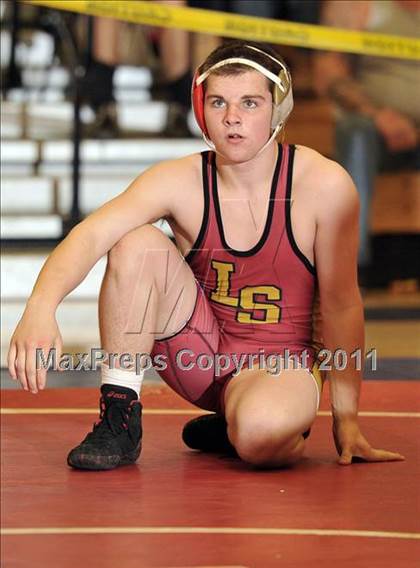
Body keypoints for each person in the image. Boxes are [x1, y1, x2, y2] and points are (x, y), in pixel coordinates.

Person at [8, 41, 404, 470]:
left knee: (259, 438)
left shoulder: (324, 186)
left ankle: (244, 424)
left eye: (250, 103)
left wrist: (347, 420)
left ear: (278, 110)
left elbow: (342, 304)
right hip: (200, 358)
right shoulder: (178, 180)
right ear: (201, 110)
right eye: (219, 102)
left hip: (280, 363)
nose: (232, 118)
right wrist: (39, 306)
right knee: (134, 241)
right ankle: (120, 418)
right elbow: (90, 234)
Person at [314, 0, 420, 286]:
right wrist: (376, 115)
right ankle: (348, 269)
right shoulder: (359, 5)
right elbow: (329, 73)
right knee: (356, 131)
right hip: (376, 127)